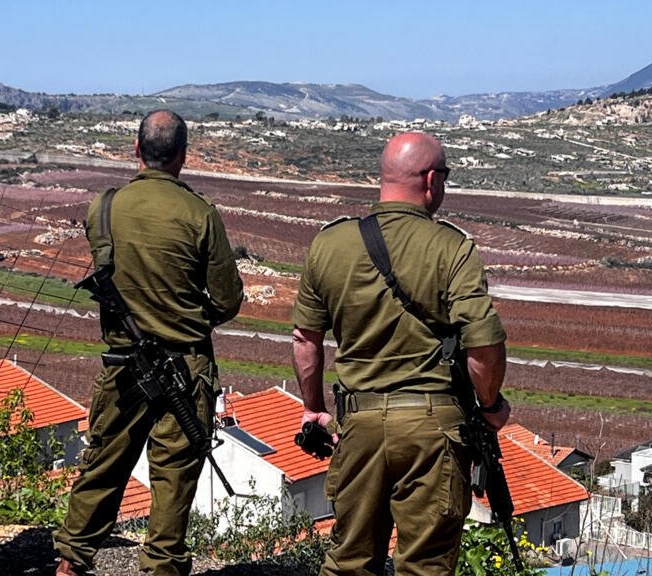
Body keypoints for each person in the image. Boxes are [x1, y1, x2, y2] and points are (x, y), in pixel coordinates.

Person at [292, 131, 511, 576]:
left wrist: (314, 407)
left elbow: (304, 340)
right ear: (431, 180)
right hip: (434, 432)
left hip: (359, 425)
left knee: (349, 562)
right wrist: (490, 405)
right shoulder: (453, 248)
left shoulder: (330, 244)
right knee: (425, 566)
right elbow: (484, 345)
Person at [53, 109, 244, 576]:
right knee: (174, 477)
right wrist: (188, 319)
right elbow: (227, 300)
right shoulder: (200, 214)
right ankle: (162, 564)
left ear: (136, 149)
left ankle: (71, 560)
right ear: (183, 155)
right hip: (185, 368)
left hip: (123, 364)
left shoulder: (104, 208)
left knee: (103, 464)